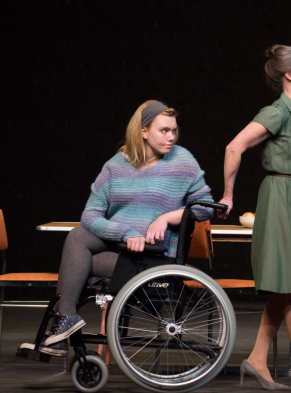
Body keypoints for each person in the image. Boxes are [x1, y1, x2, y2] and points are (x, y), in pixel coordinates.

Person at [21, 100, 213, 356]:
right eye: (164, 130)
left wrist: (167, 217)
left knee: (77, 263)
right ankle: (66, 317)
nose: (171, 137)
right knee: (78, 236)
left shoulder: (182, 161)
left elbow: (206, 207)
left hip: (153, 256)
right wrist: (126, 233)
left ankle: (62, 325)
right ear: (143, 131)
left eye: (174, 130)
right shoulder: (116, 165)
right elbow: (89, 216)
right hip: (119, 247)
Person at [217, 43, 291, 393]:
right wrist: (228, 195)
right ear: (289, 75)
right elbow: (234, 147)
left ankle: (256, 358)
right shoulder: (277, 112)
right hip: (282, 198)